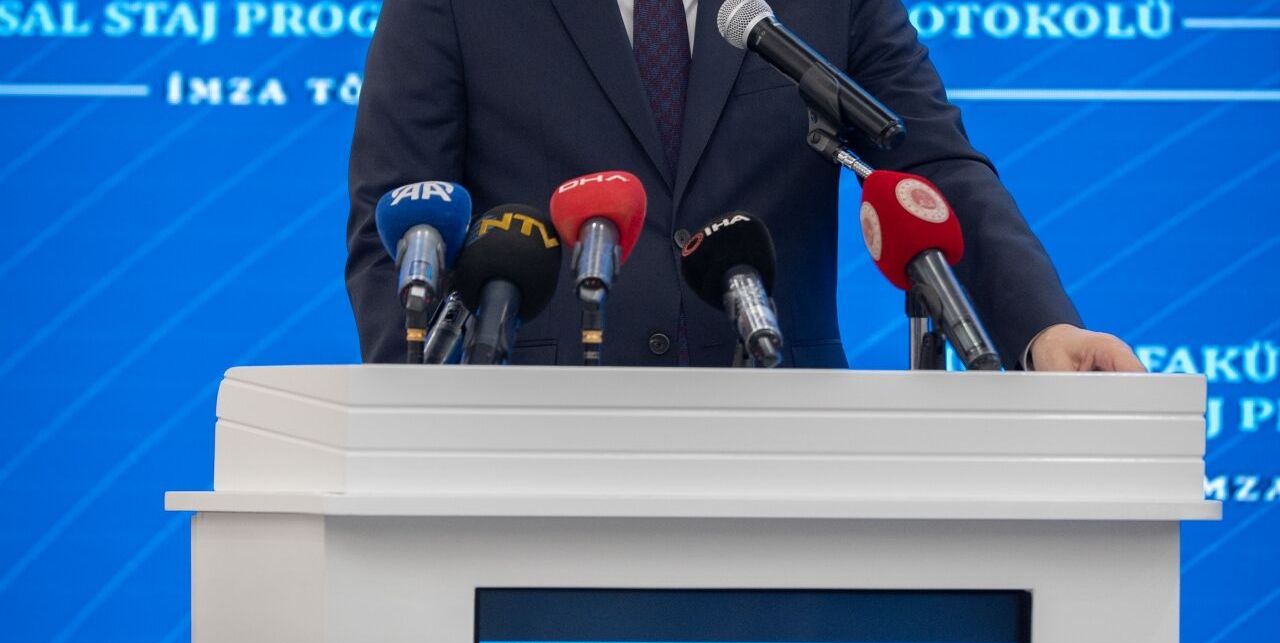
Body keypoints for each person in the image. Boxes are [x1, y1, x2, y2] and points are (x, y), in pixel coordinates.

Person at [346, 0, 1145, 372]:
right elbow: (401, 222)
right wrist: (419, 423)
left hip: (787, 446)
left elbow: (928, 168)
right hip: (531, 451)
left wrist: (1043, 328)